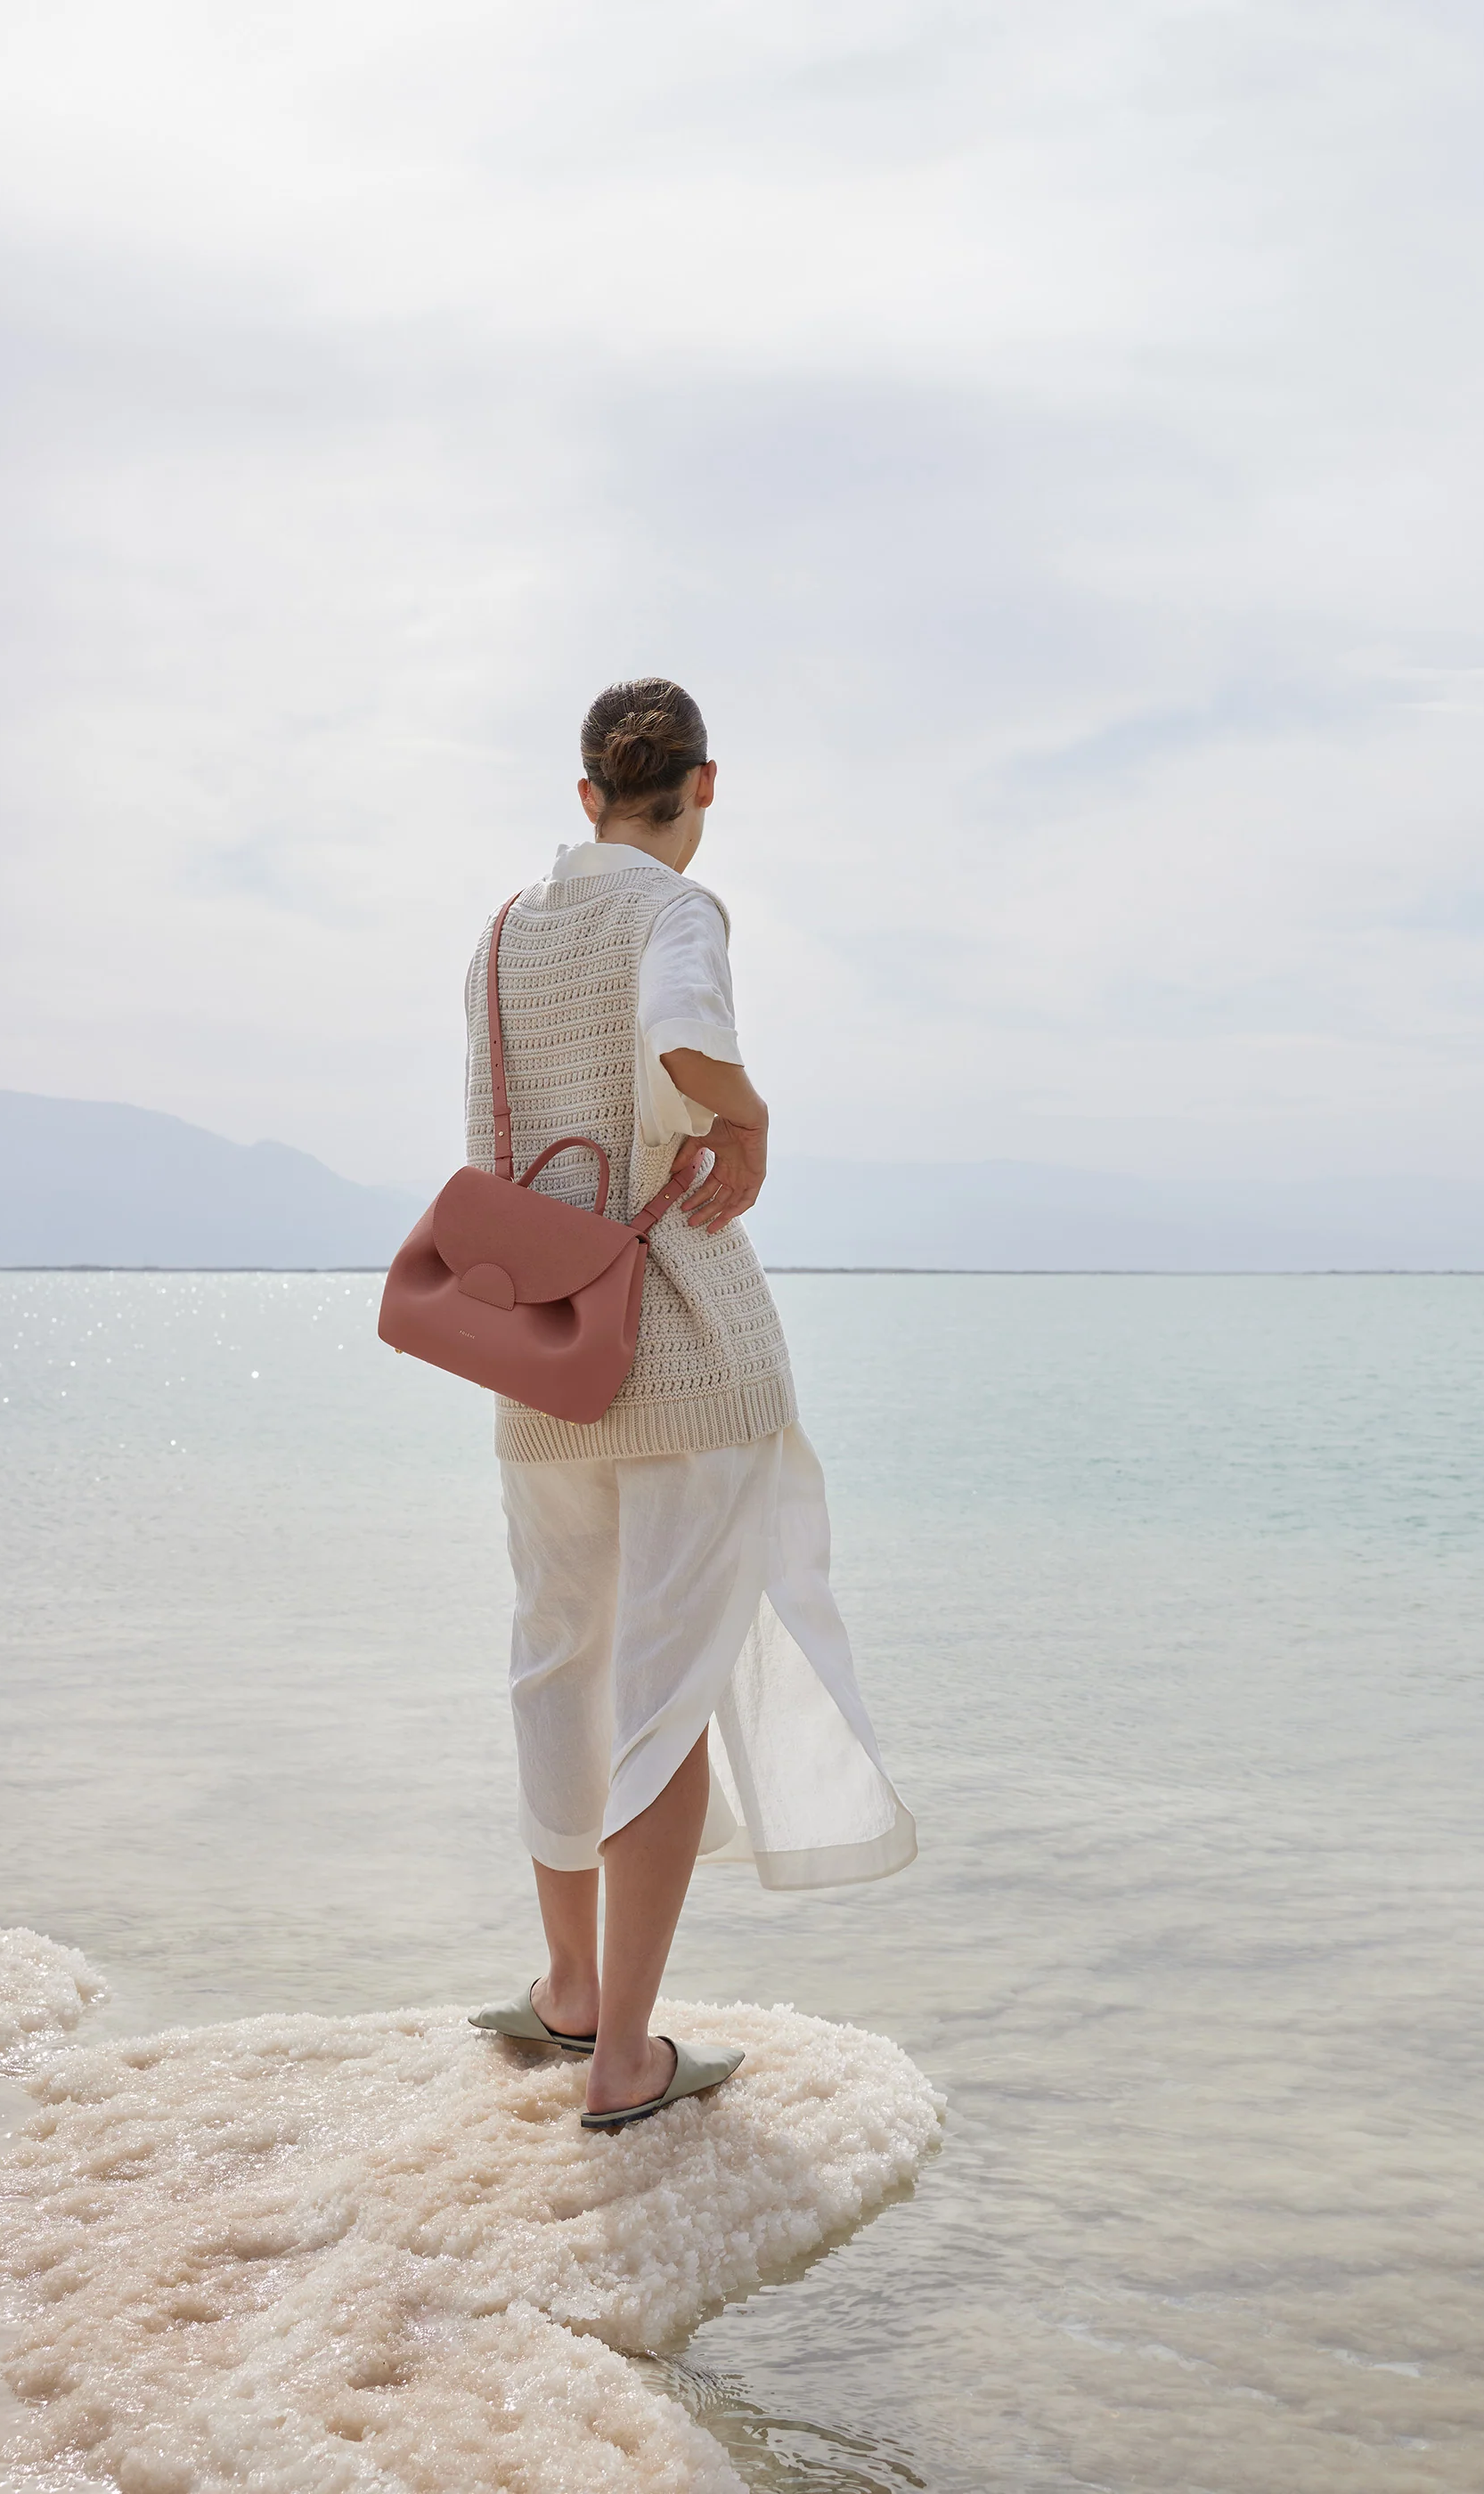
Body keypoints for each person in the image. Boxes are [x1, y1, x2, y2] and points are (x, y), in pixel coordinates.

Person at [468, 679, 916, 2130]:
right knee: (665, 1701)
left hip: (538, 1358)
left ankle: (568, 1989)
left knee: (558, 1663)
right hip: (677, 1356)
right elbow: (680, 1047)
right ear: (700, 789)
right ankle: (625, 2066)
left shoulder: (503, 937)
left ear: (584, 794)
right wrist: (750, 1114)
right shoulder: (674, 912)